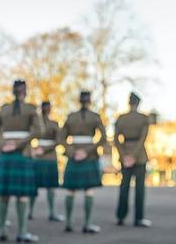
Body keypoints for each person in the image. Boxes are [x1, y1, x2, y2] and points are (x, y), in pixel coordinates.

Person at [0, 80, 42, 242]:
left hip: (5, 156)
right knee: (23, 195)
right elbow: (39, 130)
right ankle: (22, 232)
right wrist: (19, 143)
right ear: (25, 92)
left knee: (4, 194)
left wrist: (3, 144)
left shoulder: (3, 110)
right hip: (22, 154)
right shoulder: (31, 109)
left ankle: (3, 230)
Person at [61, 90, 107, 234]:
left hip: (74, 155)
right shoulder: (95, 117)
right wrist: (87, 151)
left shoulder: (71, 117)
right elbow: (103, 138)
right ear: (90, 101)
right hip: (89, 156)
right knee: (89, 190)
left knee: (70, 190)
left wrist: (72, 152)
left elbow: (61, 138)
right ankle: (87, 224)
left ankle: (68, 223)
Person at [114, 91, 151, 227]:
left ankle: (120, 216)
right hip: (139, 155)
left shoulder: (121, 118)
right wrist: (134, 155)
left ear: (129, 103)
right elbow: (143, 139)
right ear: (138, 103)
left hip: (125, 154)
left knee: (124, 187)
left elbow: (116, 140)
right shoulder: (143, 118)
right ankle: (138, 218)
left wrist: (124, 155)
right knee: (139, 188)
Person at [32, 100, 64, 222]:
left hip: (48, 157)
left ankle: (51, 212)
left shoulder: (53, 124)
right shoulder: (36, 124)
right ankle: (31, 212)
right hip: (40, 157)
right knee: (34, 186)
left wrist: (42, 150)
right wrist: (35, 149)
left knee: (50, 187)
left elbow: (58, 141)